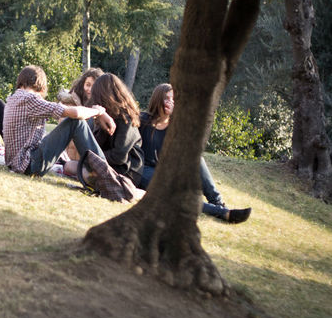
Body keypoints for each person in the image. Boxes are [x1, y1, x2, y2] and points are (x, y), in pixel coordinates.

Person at [138, 83, 252, 223]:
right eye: (166, 98)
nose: (170, 102)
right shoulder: (143, 120)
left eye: (174, 100)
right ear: (157, 99)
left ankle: (218, 202)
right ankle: (223, 213)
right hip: (146, 170)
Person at [4, 64, 108, 177]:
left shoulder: (13, 98)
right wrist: (98, 111)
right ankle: (105, 172)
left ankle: (100, 170)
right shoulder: (30, 99)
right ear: (41, 85)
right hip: (29, 164)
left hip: (16, 162)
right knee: (76, 121)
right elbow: (75, 113)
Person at [86, 73, 145, 185]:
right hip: (108, 164)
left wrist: (94, 158)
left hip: (127, 171)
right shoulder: (106, 117)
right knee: (72, 167)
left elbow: (119, 156)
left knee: (82, 172)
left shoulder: (126, 119)